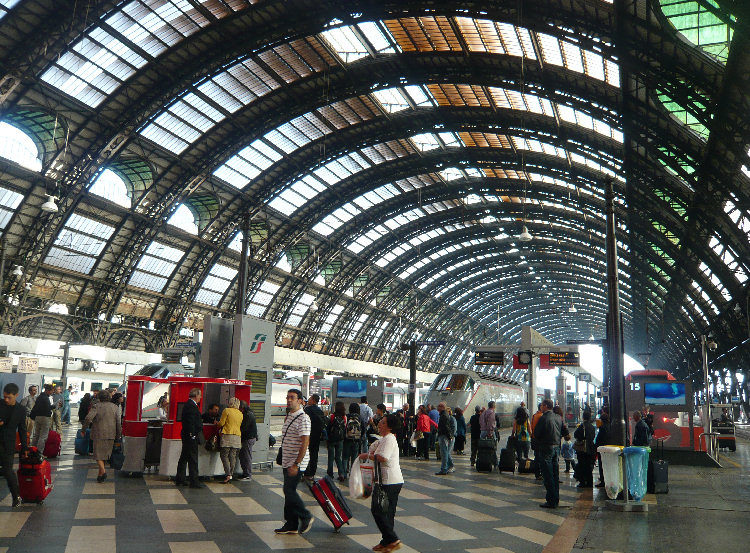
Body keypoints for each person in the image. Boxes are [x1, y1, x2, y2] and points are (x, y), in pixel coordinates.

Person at [358, 413, 404, 553]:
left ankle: (393, 539)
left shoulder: (389, 439)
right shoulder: (384, 439)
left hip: (390, 481)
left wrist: (367, 456)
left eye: (383, 423)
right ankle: (386, 542)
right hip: (384, 480)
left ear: (389, 427)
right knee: (386, 512)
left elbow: (383, 457)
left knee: (378, 510)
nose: (379, 424)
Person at [275, 389, 313, 535]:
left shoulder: (303, 418)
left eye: (292, 398)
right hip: (287, 460)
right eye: (287, 397)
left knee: (288, 490)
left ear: (300, 401)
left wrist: (296, 463)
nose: (289, 400)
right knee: (288, 491)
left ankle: (306, 516)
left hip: (297, 462)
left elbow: (305, 442)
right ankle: (291, 524)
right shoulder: (289, 416)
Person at [83, 390, 122, 482]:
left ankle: (103, 472)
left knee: (98, 455)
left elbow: (88, 418)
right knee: (104, 455)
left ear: (99, 397)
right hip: (111, 434)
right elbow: (118, 422)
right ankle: (100, 475)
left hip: (98, 434)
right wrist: (118, 434)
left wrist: (84, 429)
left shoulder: (96, 406)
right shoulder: (115, 407)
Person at [0, 383, 27, 507]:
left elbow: (22, 429)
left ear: (16, 395)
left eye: (9, 397)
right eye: (4, 397)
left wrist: (24, 448)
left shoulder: (21, 410)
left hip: (8, 444)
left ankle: (16, 496)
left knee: (8, 470)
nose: (6, 400)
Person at [534, 399, 563, 508]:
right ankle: (556, 498)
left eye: (541, 405)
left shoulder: (544, 418)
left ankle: (551, 500)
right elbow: (563, 431)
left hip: (546, 447)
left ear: (545, 406)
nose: (541, 407)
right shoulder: (558, 417)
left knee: (548, 474)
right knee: (555, 474)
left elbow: (536, 433)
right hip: (556, 447)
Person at [175, 388, 204, 488]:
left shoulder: (188, 405)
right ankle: (194, 481)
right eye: (200, 395)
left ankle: (180, 479)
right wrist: (192, 435)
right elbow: (190, 422)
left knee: (184, 457)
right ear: (196, 396)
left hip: (187, 436)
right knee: (192, 459)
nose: (201, 397)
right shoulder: (191, 406)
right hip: (190, 437)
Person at [217, 397, 243, 483]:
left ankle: (228, 474)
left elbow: (221, 423)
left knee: (224, 455)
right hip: (237, 436)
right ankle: (231, 474)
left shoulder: (226, 410)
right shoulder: (240, 413)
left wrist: (217, 424)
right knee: (232, 456)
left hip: (228, 435)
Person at [303, 394, 326, 479]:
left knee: (306, 454)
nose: (308, 399)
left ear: (313, 400)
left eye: (310, 398)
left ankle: (306, 472)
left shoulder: (307, 409)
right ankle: (312, 473)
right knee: (314, 454)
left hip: (308, 435)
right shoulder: (320, 411)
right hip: (317, 436)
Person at [29, 384, 54, 455]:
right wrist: (54, 406)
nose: (52, 393)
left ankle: (32, 450)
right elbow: (47, 408)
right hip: (45, 418)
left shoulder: (39, 397)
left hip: (37, 417)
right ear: (48, 391)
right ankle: (39, 453)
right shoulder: (46, 398)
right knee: (43, 436)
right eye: (51, 391)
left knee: (36, 435)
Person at [573, 410, 596, 487]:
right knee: (589, 466)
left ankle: (582, 482)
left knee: (582, 465)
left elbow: (576, 435)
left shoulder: (582, 426)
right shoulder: (592, 427)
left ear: (583, 417)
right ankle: (590, 482)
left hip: (583, 449)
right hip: (591, 448)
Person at [326, 401, 347, 481]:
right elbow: (345, 427)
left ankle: (330, 475)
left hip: (332, 439)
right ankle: (341, 473)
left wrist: (327, 438)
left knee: (330, 458)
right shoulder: (344, 417)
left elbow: (328, 427)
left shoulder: (332, 416)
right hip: (340, 440)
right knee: (338, 457)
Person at [237, 400, 258, 480]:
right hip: (249, 437)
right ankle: (245, 473)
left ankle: (247, 474)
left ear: (242, 408)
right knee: (244, 456)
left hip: (248, 438)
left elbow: (244, 428)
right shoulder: (249, 413)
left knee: (246, 456)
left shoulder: (248, 415)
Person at [435, 403, 456, 475]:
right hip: (444, 435)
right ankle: (449, 466)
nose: (437, 407)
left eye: (438, 406)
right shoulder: (443, 415)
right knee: (446, 452)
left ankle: (444, 469)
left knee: (444, 453)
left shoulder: (444, 415)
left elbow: (446, 427)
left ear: (442, 407)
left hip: (444, 436)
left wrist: (450, 436)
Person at [341, 402, 361, 480]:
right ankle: (352, 475)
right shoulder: (359, 417)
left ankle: (344, 474)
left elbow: (343, 427)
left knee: (345, 457)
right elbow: (363, 429)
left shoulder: (347, 416)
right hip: (356, 441)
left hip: (347, 440)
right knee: (354, 458)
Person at [594, 410, 610, 487]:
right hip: (609, 449)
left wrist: (596, 447)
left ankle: (603, 481)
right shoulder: (610, 426)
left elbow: (599, 439)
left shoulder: (602, 428)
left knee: (602, 465)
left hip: (602, 449)